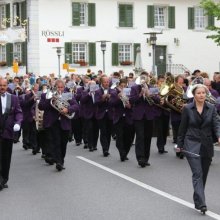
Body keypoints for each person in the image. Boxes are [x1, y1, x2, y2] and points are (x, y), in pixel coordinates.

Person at [177, 84, 220, 214]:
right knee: (197, 173)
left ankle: (197, 198)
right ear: (194, 95)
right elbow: (182, 127)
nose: (201, 95)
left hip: (206, 144)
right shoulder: (187, 109)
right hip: (191, 143)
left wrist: (218, 136)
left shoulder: (211, 108)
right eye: (198, 93)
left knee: (204, 175)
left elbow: (216, 123)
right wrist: (180, 145)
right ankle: (202, 204)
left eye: (203, 93)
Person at [0, 79, 23, 190]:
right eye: (0, 85)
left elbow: (18, 112)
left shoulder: (13, 98)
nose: (2, 87)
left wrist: (18, 122)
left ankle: (4, 179)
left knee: (6, 157)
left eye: (4, 85)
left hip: (8, 132)